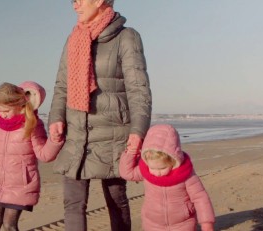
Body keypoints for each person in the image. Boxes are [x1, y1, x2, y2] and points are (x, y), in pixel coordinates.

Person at [47, 0, 152, 230]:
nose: (75, 6)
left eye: (79, 0)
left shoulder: (126, 37)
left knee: (116, 199)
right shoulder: (73, 38)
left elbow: (138, 89)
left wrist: (138, 130)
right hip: (76, 134)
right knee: (72, 203)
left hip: (113, 134)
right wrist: (55, 118)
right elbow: (61, 86)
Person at [0, 81, 65, 231]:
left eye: (6, 111)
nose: (2, 115)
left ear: (20, 105)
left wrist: (55, 140)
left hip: (20, 184)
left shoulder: (32, 124)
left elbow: (44, 155)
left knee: (9, 225)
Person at [119, 124, 215, 230]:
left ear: (174, 160)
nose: (157, 173)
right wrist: (132, 151)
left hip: (182, 224)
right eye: (153, 168)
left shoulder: (186, 174)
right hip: (152, 223)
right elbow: (126, 173)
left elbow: (200, 198)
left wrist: (207, 224)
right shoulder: (145, 170)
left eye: (162, 168)